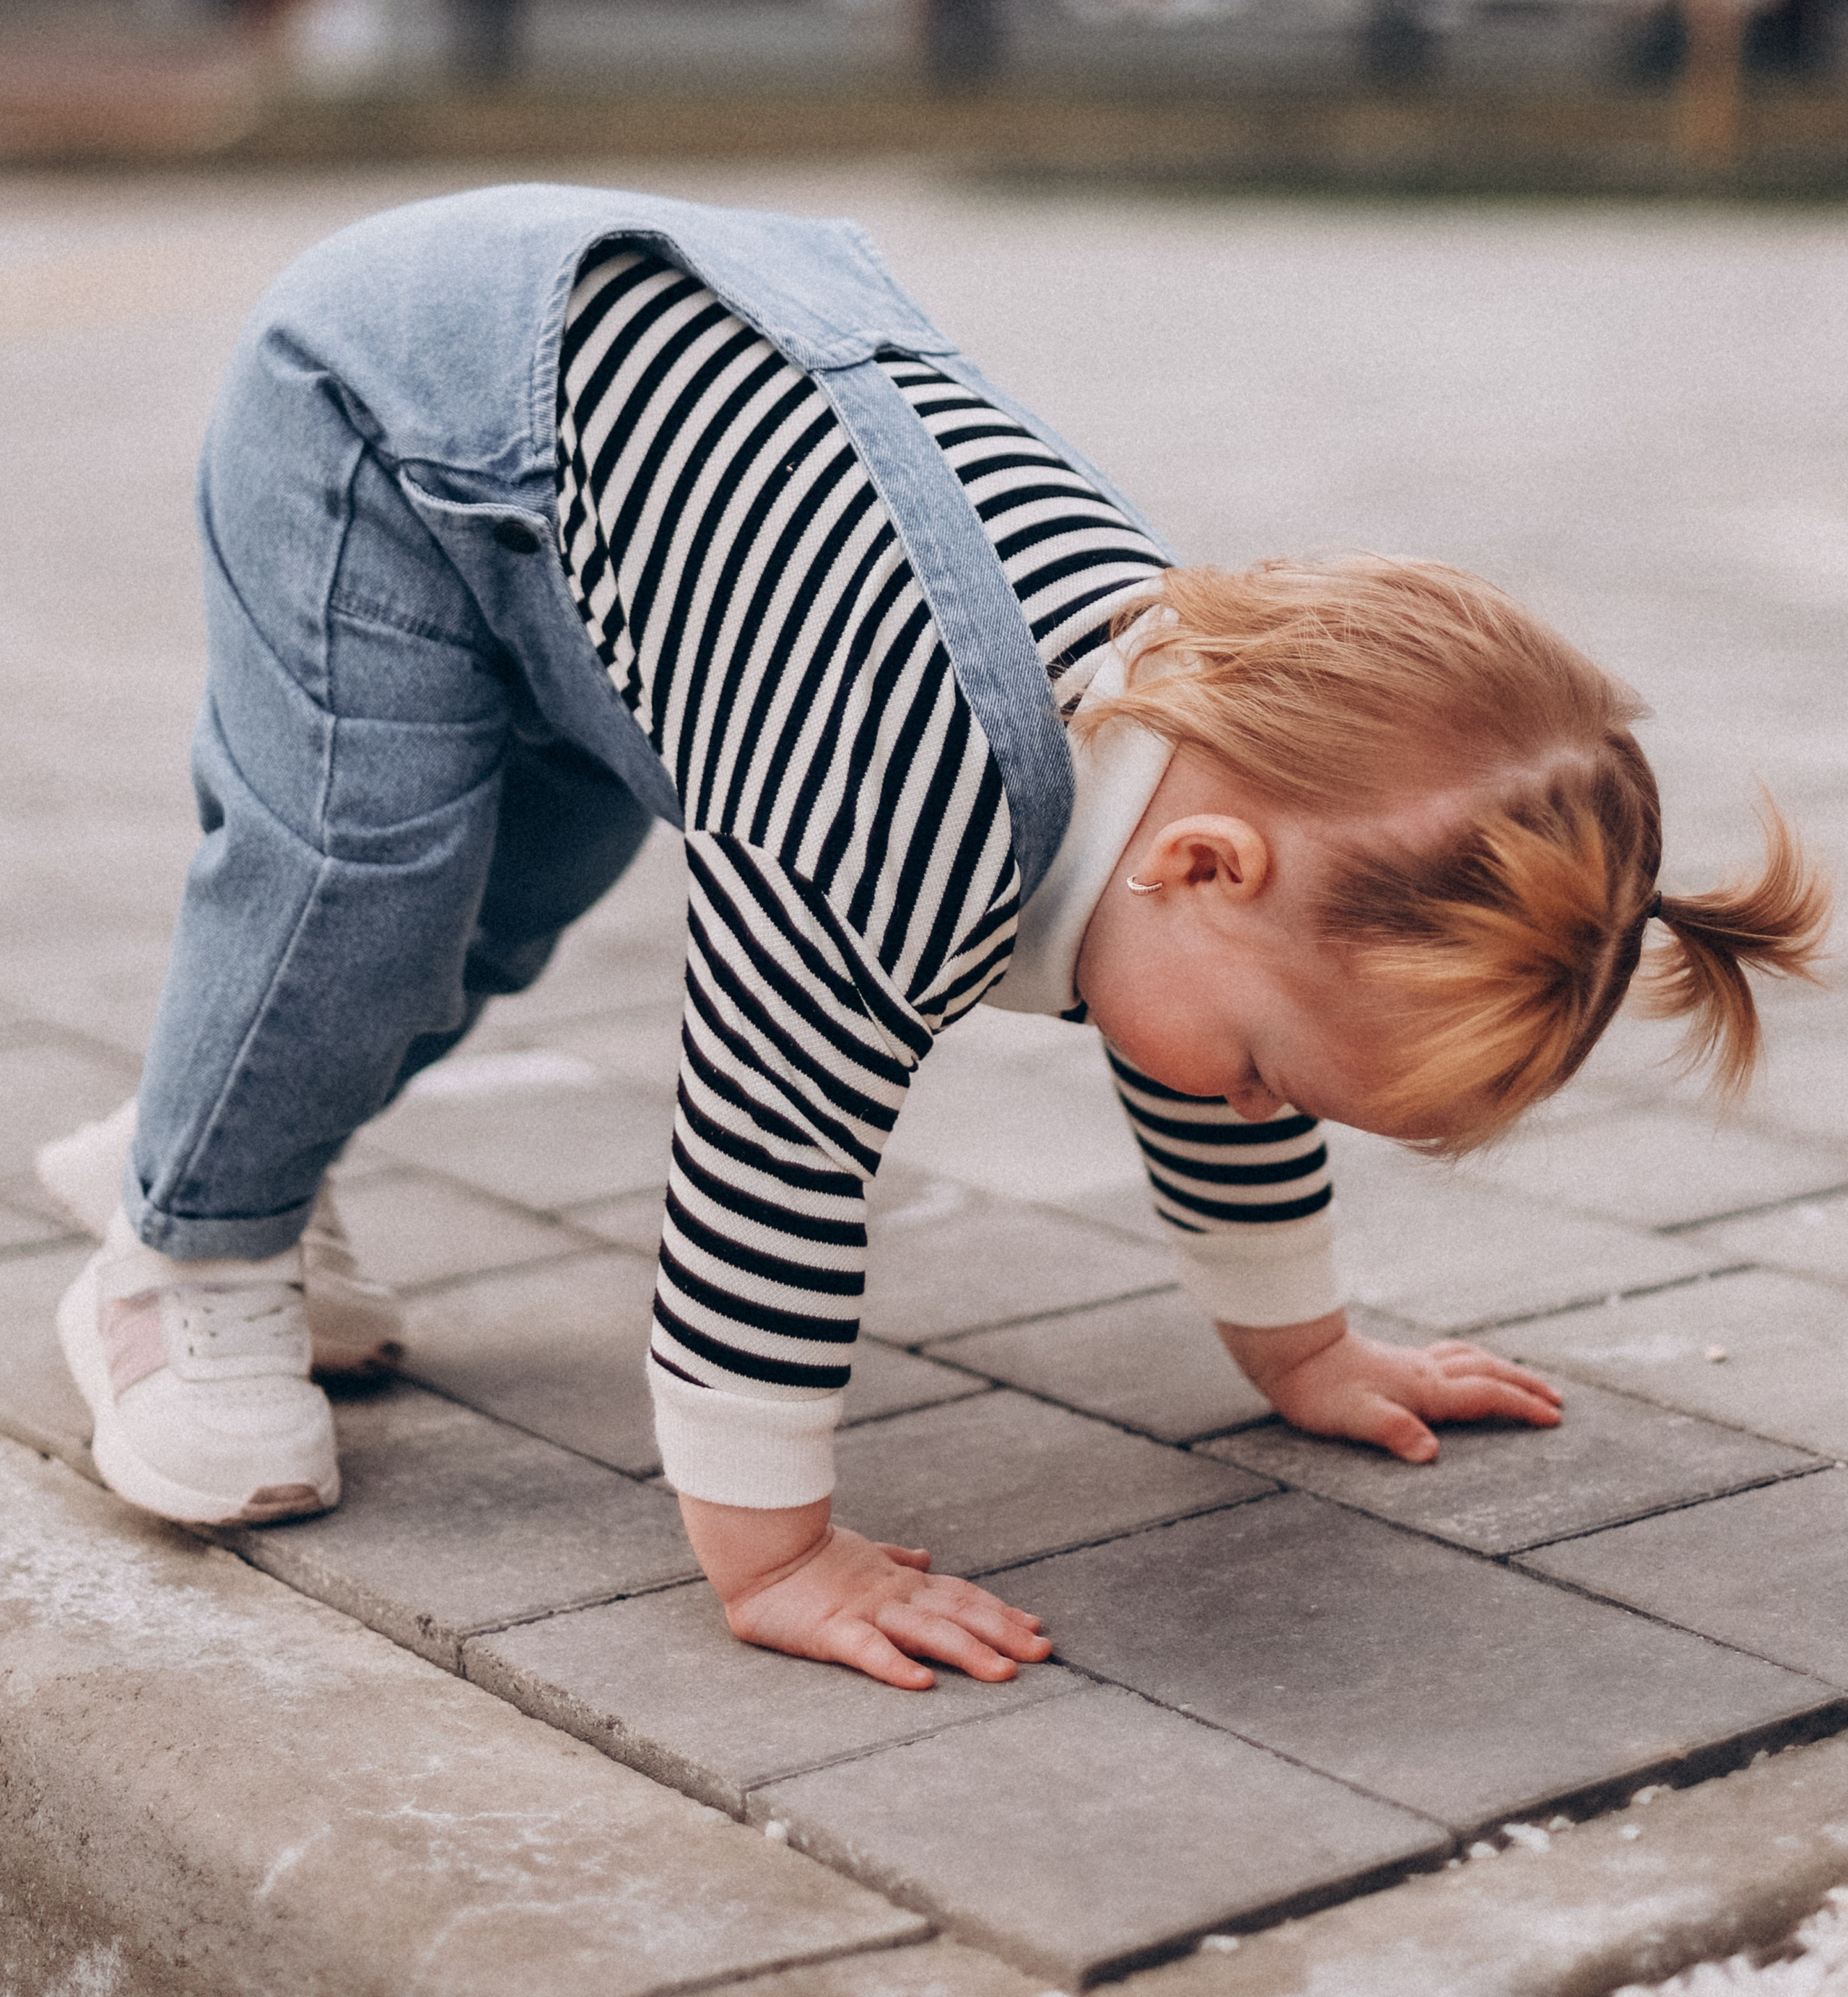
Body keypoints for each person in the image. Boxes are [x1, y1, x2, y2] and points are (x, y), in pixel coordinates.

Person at [39, 186, 1829, 1694]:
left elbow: (1206, 1060)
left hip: (635, 472)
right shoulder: (903, 818)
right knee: (363, 879)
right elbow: (769, 1159)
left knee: (494, 920)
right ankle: (183, 1252)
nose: (1251, 1099)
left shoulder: (1210, 799)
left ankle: (208, 1127)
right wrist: (776, 1555)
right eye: (1279, 1073)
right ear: (1200, 863)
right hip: (404, 411)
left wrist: (1304, 1350)